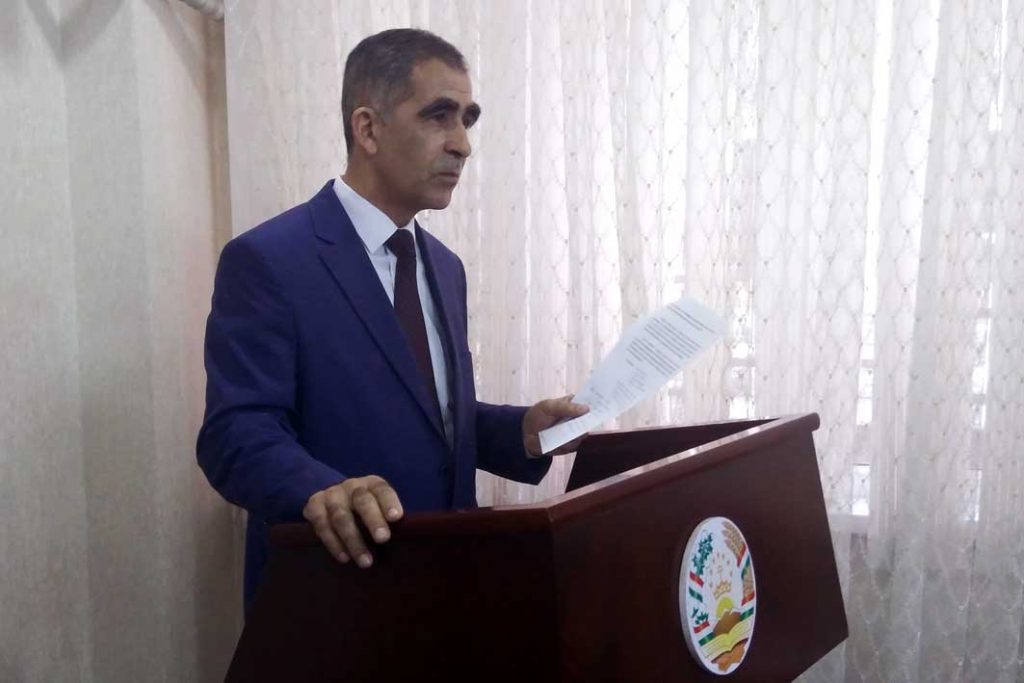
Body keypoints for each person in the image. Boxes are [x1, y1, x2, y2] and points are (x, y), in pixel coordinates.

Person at [196, 28, 588, 609]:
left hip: (445, 592)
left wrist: (519, 432)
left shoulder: (445, 267)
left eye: (468, 120)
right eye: (439, 116)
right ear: (368, 129)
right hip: (333, 603)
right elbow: (235, 433)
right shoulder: (270, 260)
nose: (462, 144)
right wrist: (319, 489)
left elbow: (426, 415)